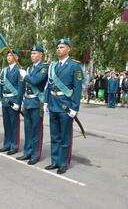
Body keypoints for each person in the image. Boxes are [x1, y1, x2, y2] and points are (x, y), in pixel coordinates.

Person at [44, 38, 84, 174]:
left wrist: (75, 108)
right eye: (57, 47)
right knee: (54, 136)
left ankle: (63, 163)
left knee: (65, 136)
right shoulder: (53, 66)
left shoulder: (75, 66)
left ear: (68, 49)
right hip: (53, 104)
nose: (58, 49)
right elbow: (49, 86)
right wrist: (46, 102)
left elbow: (77, 90)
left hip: (66, 106)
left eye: (61, 47)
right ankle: (55, 161)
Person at [17, 44, 48, 165]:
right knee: (27, 129)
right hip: (28, 102)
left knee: (36, 130)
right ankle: (27, 152)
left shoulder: (44, 68)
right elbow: (23, 87)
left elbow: (36, 81)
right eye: (31, 53)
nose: (32, 55)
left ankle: (35, 154)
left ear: (41, 55)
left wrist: (25, 76)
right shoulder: (29, 69)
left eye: (35, 53)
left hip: (36, 102)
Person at [0, 50, 23, 155]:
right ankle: (7, 144)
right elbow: (1, 85)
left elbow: (21, 88)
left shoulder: (19, 70)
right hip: (5, 100)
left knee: (14, 124)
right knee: (6, 124)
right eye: (7, 56)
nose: (8, 57)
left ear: (16, 57)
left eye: (11, 56)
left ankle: (14, 145)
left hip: (13, 100)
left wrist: (18, 102)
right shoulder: (4, 70)